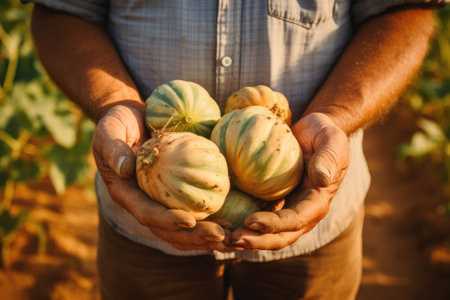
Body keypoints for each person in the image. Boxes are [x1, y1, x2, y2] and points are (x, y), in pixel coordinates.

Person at [27, 1, 446, 299]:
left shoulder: (220, 129)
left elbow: (403, 8)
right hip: (141, 234)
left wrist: (333, 116)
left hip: (316, 236)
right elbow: (63, 9)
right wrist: (116, 105)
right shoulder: (191, 129)